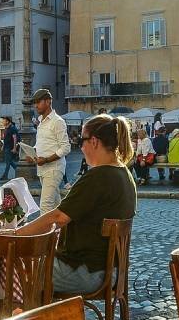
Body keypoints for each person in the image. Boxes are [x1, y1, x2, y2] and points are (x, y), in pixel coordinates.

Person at [12, 114, 136, 295]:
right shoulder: (124, 174)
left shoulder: (98, 177)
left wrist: (17, 234)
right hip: (113, 269)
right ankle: (44, 318)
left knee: (11, 271)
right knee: (27, 268)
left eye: (82, 142)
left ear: (94, 141)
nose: (81, 147)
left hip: (87, 271)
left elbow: (59, 217)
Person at [23, 88, 71, 213]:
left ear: (48, 102)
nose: (35, 105)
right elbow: (42, 144)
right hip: (43, 169)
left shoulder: (58, 121)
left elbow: (66, 147)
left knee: (45, 206)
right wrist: (32, 153)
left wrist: (47, 159)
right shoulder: (40, 121)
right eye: (35, 102)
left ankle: (44, 233)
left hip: (54, 169)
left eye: (38, 102)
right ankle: (65, 230)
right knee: (56, 206)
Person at [0, 115, 20, 182]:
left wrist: (14, 148)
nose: (3, 122)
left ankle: (5, 175)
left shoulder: (12, 128)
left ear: (7, 121)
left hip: (10, 147)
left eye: (4, 121)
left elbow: (15, 138)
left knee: (8, 162)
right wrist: (3, 146)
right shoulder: (7, 128)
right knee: (9, 161)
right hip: (7, 147)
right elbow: (6, 138)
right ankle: (18, 171)